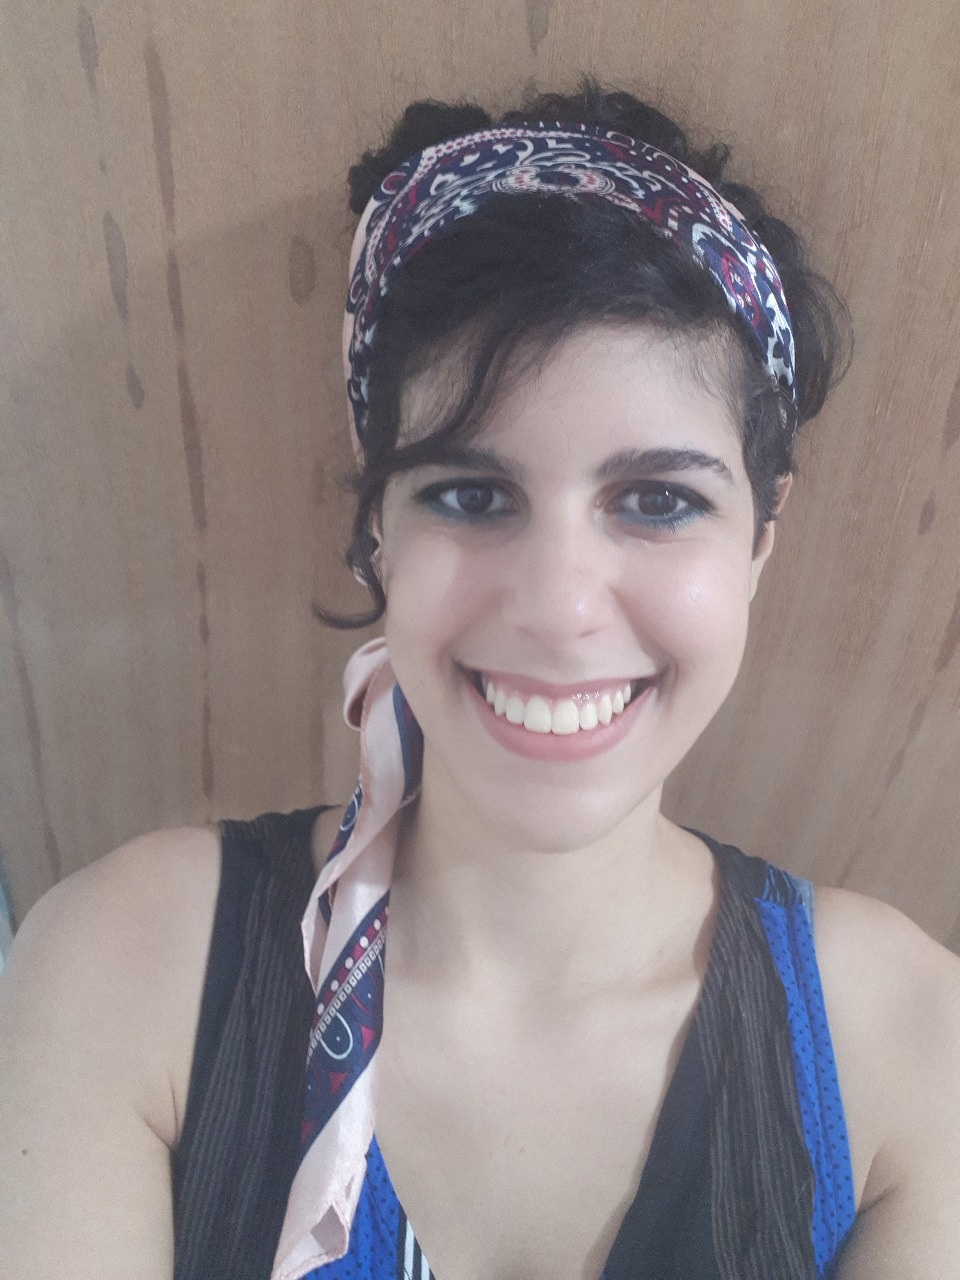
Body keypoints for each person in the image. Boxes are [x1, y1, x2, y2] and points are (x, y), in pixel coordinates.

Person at [2, 81, 959, 1280]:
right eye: (469, 492)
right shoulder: (123, 966)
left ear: (761, 539)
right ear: (379, 528)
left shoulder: (910, 1047)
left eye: (659, 500)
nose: (557, 607)